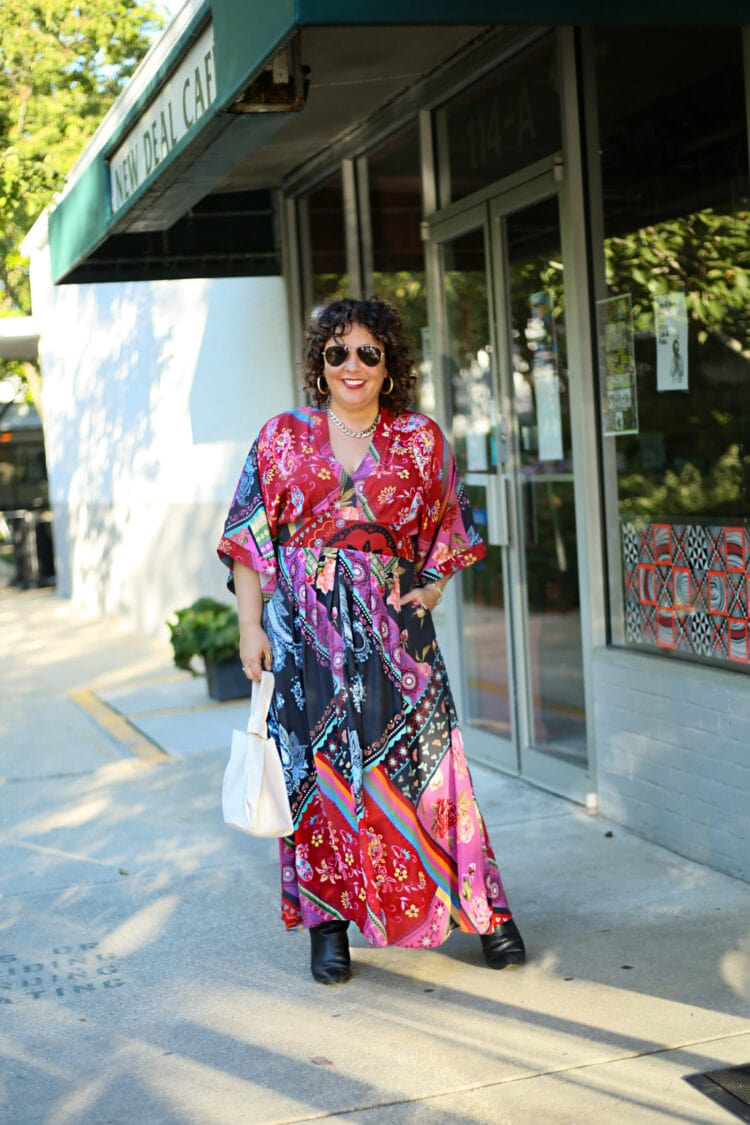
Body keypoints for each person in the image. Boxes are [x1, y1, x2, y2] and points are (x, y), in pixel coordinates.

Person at [218, 297, 525, 984]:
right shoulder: (280, 437)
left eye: (367, 353)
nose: (351, 365)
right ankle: (328, 926)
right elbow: (247, 536)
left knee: (433, 774)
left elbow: (450, 524)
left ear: (390, 367)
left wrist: (434, 588)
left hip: (396, 641)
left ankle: (488, 913)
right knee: (316, 783)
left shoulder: (421, 440)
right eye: (337, 353)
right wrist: (249, 625)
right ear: (318, 365)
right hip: (304, 642)